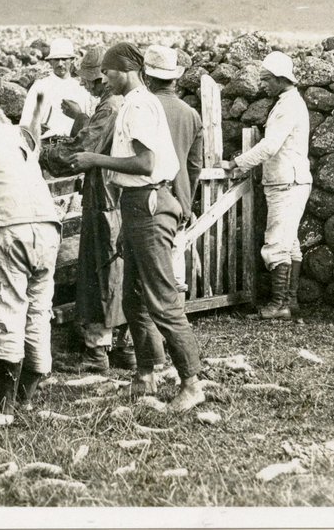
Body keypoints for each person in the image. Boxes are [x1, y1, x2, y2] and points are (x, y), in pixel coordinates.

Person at [70, 42, 206, 411]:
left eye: (109, 72)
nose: (104, 78)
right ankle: (144, 375)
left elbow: (146, 163)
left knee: (161, 299)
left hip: (148, 204)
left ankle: (191, 382)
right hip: (136, 205)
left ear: (127, 69)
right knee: (133, 297)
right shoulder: (134, 102)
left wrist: (94, 159)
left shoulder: (141, 105)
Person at [58, 45, 163, 373]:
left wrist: (44, 155)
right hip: (120, 198)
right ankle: (124, 348)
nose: (90, 84)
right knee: (121, 275)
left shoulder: (112, 107)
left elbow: (84, 148)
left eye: (92, 79)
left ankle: (97, 352)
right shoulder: (126, 104)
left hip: (105, 199)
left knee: (100, 273)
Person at [0, 96, 60, 412]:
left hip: (10, 226)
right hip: (47, 226)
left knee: (7, 308)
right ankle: (26, 394)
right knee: (38, 309)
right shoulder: (16, 138)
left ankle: (2, 407)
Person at [218, 51, 311, 319]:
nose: (264, 85)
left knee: (275, 243)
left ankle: (278, 305)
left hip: (287, 182)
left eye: (267, 79)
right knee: (289, 242)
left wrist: (237, 164)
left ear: (282, 79)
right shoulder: (288, 102)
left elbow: (270, 146)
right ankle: (289, 301)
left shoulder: (288, 105)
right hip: (290, 180)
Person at [142, 45, 204, 290]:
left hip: (147, 196)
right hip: (178, 199)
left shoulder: (142, 107)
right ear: (176, 78)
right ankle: (176, 320)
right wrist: (186, 197)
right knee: (175, 271)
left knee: (146, 271)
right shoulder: (190, 114)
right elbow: (194, 166)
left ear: (147, 77)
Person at [20, 38, 92, 139]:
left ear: (72, 60)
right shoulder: (40, 86)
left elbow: (87, 123)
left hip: (74, 145)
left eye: (64, 59)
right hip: (46, 144)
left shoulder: (81, 88)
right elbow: (26, 122)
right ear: (50, 61)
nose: (60, 64)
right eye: (56, 59)